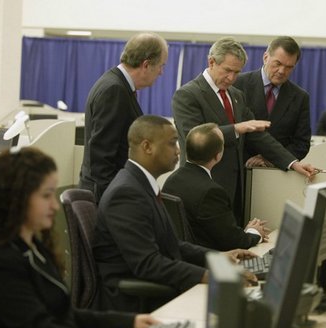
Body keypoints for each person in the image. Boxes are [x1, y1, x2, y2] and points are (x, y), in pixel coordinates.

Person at [0, 147, 158, 328]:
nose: (54, 205)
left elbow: (65, 316)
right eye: (46, 195)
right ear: (15, 197)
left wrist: (130, 321)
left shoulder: (31, 246)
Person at [92, 115, 257, 312]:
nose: (179, 150)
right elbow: (149, 264)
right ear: (147, 147)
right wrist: (212, 275)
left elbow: (170, 244)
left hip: (152, 288)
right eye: (172, 143)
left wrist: (218, 257)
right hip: (133, 301)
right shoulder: (126, 193)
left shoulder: (141, 184)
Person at [172, 37, 317, 225]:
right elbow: (194, 139)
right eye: (228, 71)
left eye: (237, 72)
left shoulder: (236, 94)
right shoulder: (188, 94)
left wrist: (293, 163)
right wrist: (236, 129)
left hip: (236, 188)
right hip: (202, 188)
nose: (232, 78)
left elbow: (258, 135)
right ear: (211, 62)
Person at [79, 32, 168, 203]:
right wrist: (114, 203)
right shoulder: (115, 90)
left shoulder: (116, 84)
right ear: (146, 64)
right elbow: (102, 157)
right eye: (161, 66)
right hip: (105, 197)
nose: (161, 73)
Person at [163, 123, 270, 251]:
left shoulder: (171, 180)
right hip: (207, 262)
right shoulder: (211, 192)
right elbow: (233, 242)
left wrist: (241, 233)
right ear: (218, 155)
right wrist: (255, 232)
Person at [234, 36, 311, 161]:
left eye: (289, 67)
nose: (282, 71)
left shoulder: (300, 97)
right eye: (278, 64)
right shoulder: (238, 85)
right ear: (265, 57)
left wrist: (270, 159)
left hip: (275, 172)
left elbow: (301, 144)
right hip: (238, 168)